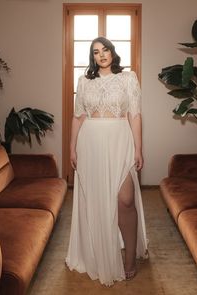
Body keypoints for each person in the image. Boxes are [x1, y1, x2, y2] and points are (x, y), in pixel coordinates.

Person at [66, 36, 148, 286]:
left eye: (105, 50)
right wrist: (72, 148)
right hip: (89, 145)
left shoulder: (128, 78)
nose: (101, 55)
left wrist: (138, 149)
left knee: (125, 199)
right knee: (97, 200)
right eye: (96, 52)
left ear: (112, 52)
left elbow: (134, 115)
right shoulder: (84, 81)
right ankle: (98, 250)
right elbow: (78, 117)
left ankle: (130, 258)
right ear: (92, 57)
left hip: (119, 142)